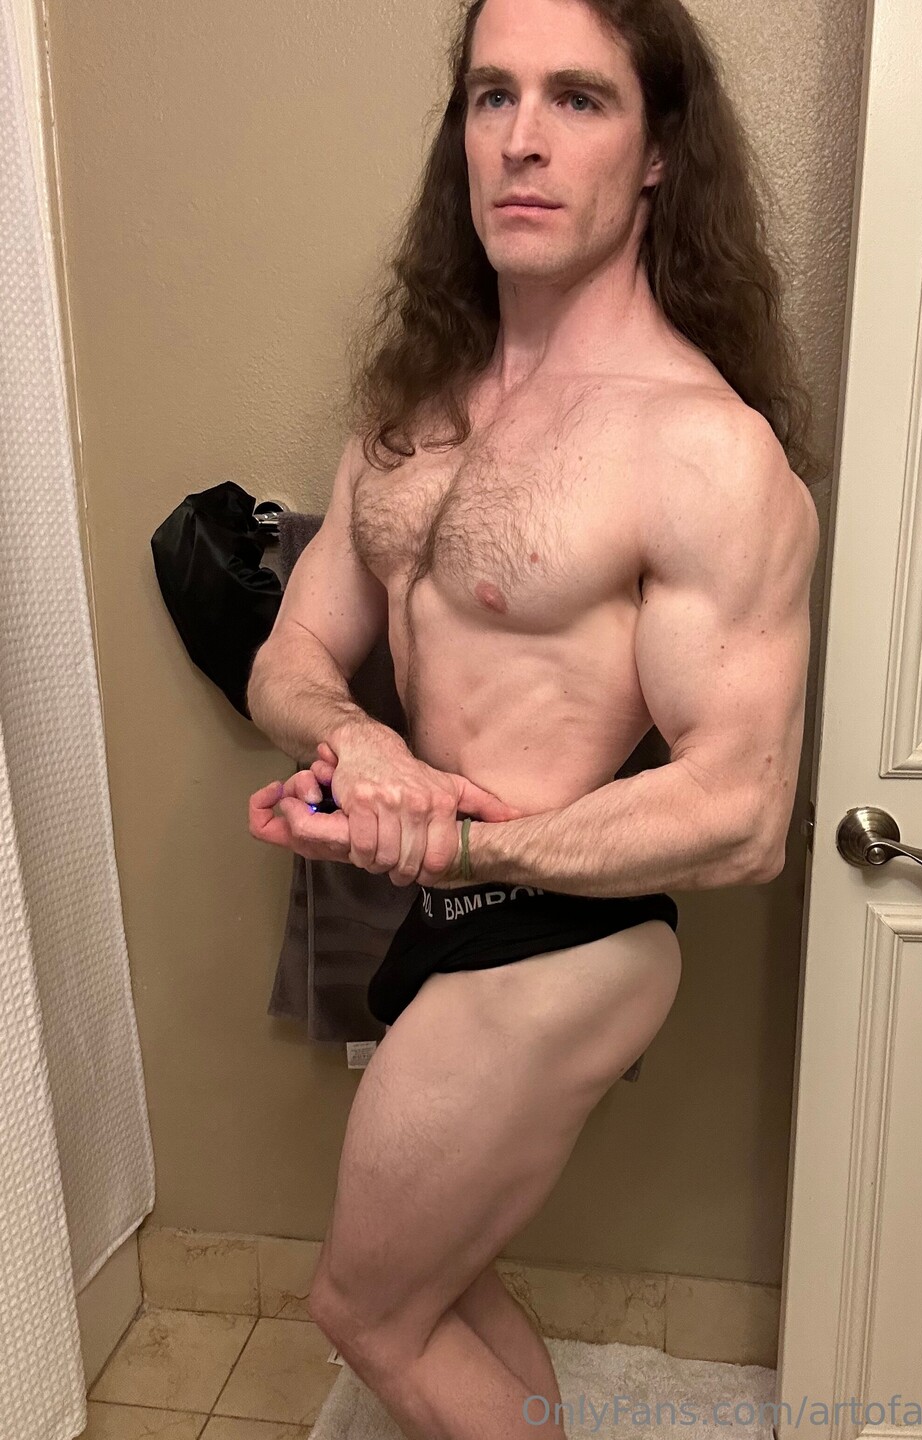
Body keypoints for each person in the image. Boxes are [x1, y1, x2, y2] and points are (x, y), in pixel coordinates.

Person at [246, 0, 820, 1432]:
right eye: (491, 95)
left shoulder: (703, 449)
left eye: (578, 98)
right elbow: (293, 652)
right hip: (435, 903)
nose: (520, 138)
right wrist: (358, 741)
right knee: (436, 1281)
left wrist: (460, 847)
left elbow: (743, 813)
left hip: (563, 937)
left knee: (364, 1310)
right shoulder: (411, 410)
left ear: (658, 150)